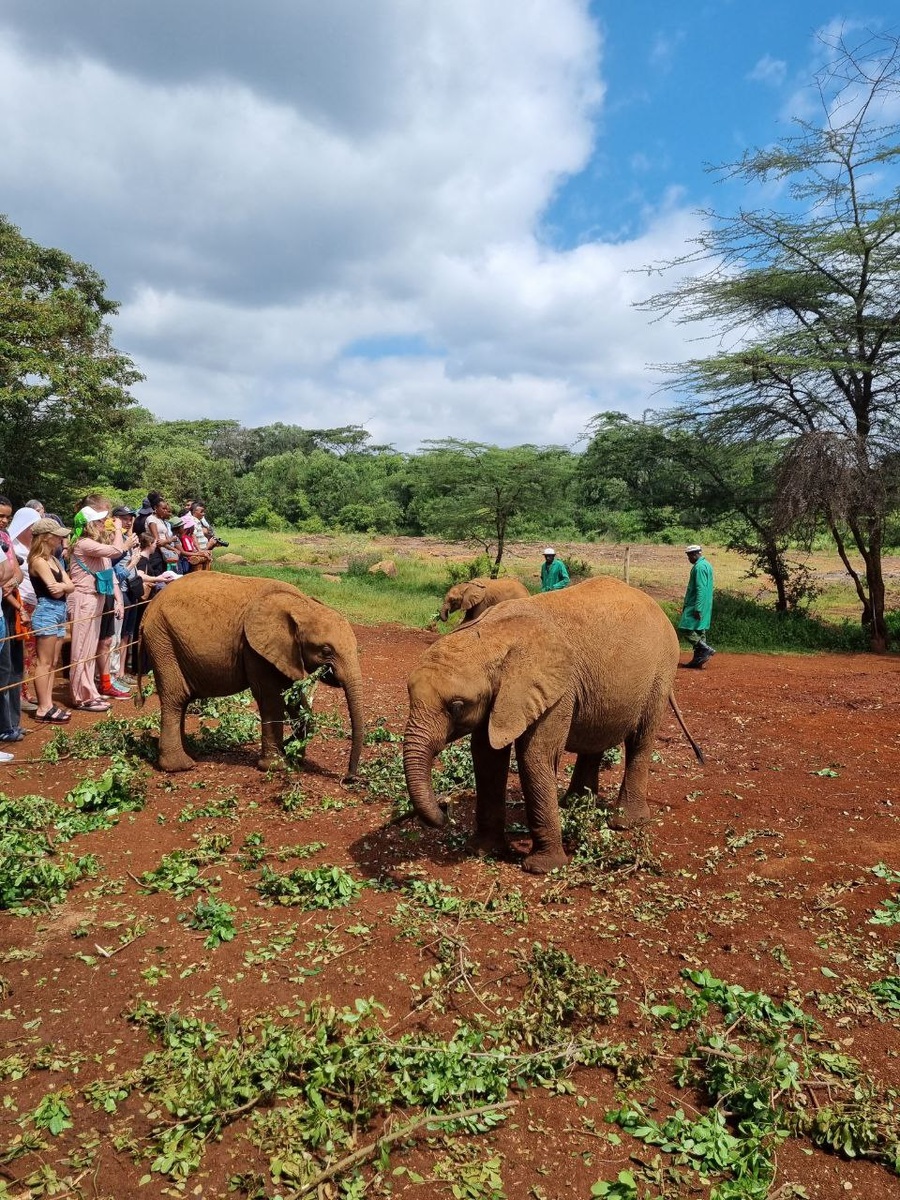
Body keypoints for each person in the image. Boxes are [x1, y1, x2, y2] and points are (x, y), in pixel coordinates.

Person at [68, 504, 136, 710]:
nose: (102, 524)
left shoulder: (95, 545)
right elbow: (117, 550)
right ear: (88, 525)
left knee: (90, 649)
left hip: (96, 598)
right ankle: (80, 696)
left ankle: (90, 690)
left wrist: (117, 599)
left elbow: (109, 573)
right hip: (83, 598)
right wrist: (118, 531)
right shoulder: (83, 543)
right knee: (81, 649)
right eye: (98, 521)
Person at [27, 518, 75, 722]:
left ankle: (48, 704)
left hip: (59, 611)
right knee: (44, 662)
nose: (60, 538)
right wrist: (65, 586)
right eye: (57, 535)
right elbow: (55, 591)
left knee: (53, 662)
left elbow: (69, 586)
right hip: (46, 611)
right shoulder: (38, 560)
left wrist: (64, 586)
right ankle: (43, 707)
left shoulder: (54, 560)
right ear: (46, 537)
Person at [678, 545, 715, 669]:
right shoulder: (707, 565)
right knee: (700, 630)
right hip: (705, 603)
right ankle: (698, 660)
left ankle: (704, 649)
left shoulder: (699, 567)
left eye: (689, 556)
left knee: (685, 627)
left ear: (694, 554)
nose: (689, 559)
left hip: (696, 603)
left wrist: (697, 608)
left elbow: (700, 588)